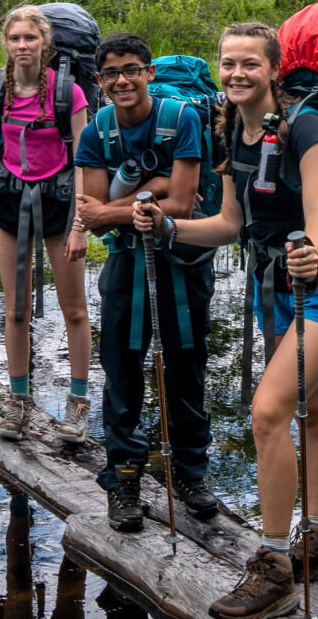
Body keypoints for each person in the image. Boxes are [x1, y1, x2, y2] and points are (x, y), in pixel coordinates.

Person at [134, 22, 318, 617]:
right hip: (271, 285)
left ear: (274, 69)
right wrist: (171, 227)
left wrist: (313, 249)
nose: (236, 74)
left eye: (249, 64)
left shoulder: (307, 127)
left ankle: (274, 565)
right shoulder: (232, 129)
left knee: (267, 413)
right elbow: (230, 223)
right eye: (228, 63)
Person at [74, 33, 220, 533]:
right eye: (112, 73)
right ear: (100, 82)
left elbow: (181, 204)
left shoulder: (182, 118)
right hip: (125, 262)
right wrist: (146, 195)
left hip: (182, 258)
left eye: (132, 69)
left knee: (186, 363)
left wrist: (127, 206)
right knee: (122, 369)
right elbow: (91, 218)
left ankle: (189, 473)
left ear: (150, 72)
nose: (123, 80)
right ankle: (125, 477)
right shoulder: (96, 131)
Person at [0, 4, 93, 442]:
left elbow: (83, 157)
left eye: (31, 38)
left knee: (73, 307)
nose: (23, 46)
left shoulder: (68, 92)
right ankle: (18, 400)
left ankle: (77, 405)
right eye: (16, 38)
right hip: (9, 204)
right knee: (15, 308)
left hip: (59, 205)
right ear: (6, 43)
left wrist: (81, 220)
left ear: (45, 43)